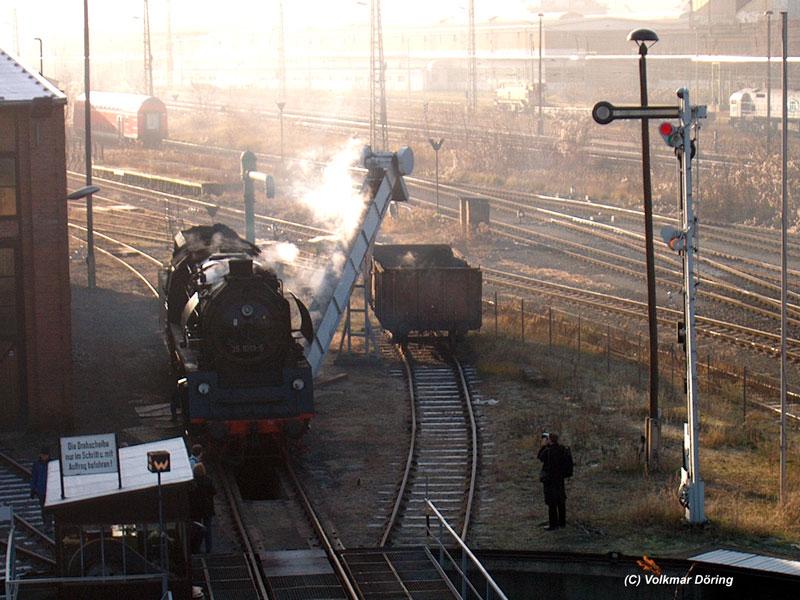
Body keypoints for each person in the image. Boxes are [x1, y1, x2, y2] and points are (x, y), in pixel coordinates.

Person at [537, 432, 573, 531]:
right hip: (560, 479)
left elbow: (540, 457)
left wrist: (543, 446)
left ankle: (553, 524)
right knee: (561, 501)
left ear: (550, 440)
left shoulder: (548, 451)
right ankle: (562, 523)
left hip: (550, 480)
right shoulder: (562, 449)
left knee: (552, 503)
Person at [189, 463, 216, 553]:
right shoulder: (208, 480)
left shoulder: (193, 482)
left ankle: (197, 548)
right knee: (208, 529)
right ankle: (209, 549)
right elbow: (214, 491)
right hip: (208, 508)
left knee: (197, 529)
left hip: (196, 509)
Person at [30, 447, 52, 530]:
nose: (44, 457)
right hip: (41, 490)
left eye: (45, 455)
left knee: (48, 509)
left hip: (50, 490)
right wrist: (33, 489)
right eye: (43, 455)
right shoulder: (37, 464)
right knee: (43, 508)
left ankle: (48, 525)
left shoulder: (51, 463)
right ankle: (46, 524)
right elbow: (34, 477)